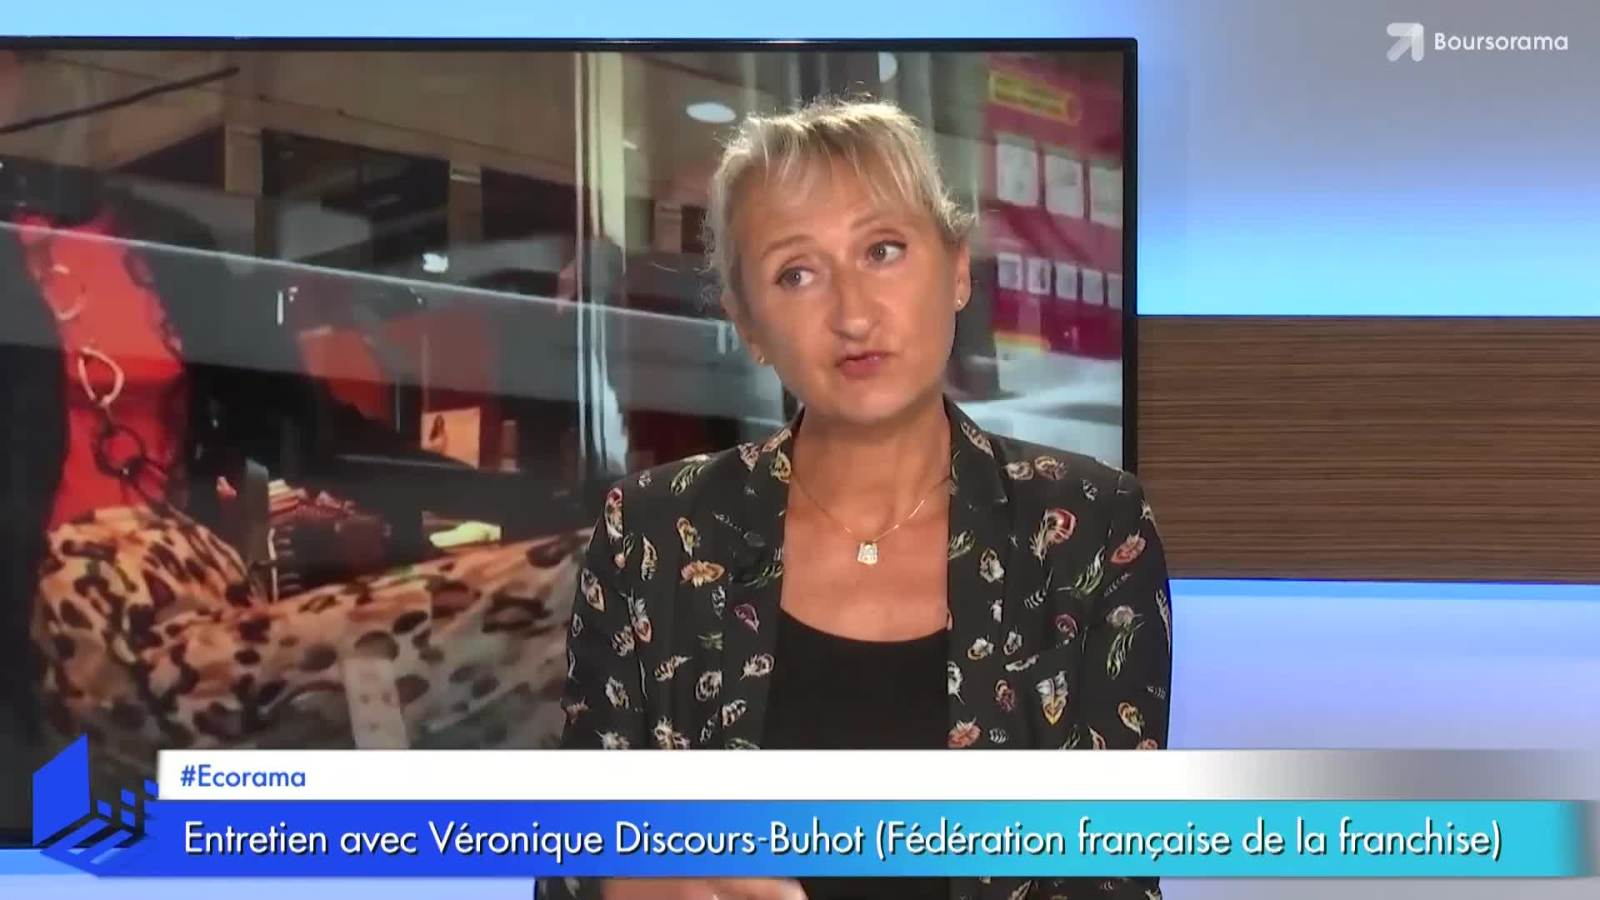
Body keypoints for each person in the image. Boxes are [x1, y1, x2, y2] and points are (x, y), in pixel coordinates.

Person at [541, 99, 1173, 900]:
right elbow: (571, 865)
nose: (852, 313)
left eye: (883, 250)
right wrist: (639, 886)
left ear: (957, 269)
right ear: (748, 323)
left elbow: (1114, 880)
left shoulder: (1089, 529)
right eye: (796, 274)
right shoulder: (653, 533)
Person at [0, 50, 585, 785]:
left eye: (31, 59)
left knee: (568, 591)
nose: (30, 85)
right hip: (62, 618)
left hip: (187, 595)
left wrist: (532, 503)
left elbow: (312, 437)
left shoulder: (168, 247)